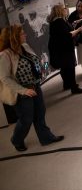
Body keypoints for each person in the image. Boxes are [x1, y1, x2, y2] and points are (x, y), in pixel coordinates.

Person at [0, 24, 64, 152]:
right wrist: (24, 91)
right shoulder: (4, 55)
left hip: (35, 86)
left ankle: (46, 137)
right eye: (22, 33)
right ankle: (16, 140)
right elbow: (4, 78)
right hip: (21, 91)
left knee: (40, 113)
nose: (25, 34)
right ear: (14, 37)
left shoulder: (24, 46)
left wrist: (44, 67)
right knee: (26, 119)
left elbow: (36, 62)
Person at [48, 4, 82, 94]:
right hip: (64, 48)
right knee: (69, 67)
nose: (66, 10)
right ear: (60, 11)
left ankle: (67, 84)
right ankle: (73, 87)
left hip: (59, 48)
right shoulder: (59, 21)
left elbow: (65, 30)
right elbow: (68, 35)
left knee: (65, 67)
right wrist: (78, 30)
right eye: (64, 9)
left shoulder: (55, 21)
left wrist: (74, 24)